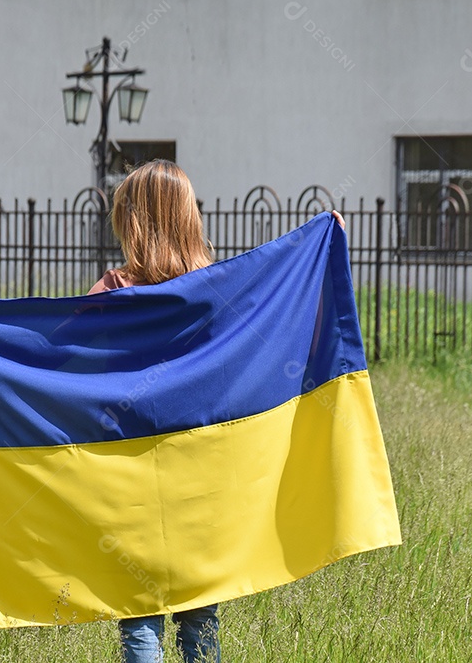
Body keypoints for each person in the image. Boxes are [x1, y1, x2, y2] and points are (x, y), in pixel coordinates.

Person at [88, 159, 344, 663]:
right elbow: (270, 332)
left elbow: (74, 368)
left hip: (130, 476)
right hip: (202, 478)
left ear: (134, 222)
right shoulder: (220, 291)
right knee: (200, 615)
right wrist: (320, 246)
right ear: (189, 217)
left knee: (139, 618)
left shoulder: (113, 291)